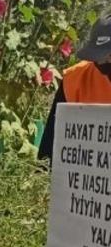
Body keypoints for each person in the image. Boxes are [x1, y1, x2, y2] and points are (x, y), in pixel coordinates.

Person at [39, 16, 111, 161]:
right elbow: (49, 146)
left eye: (109, 55)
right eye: (99, 55)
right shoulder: (75, 80)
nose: (102, 61)